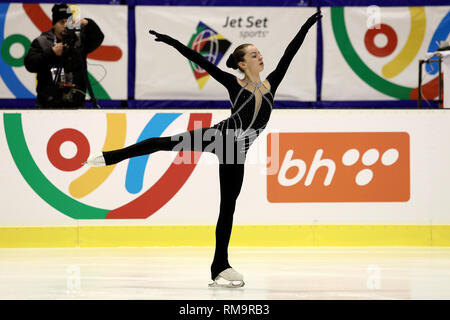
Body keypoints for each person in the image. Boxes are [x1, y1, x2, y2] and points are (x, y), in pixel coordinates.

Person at [85, 11, 322, 287]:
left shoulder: (272, 83)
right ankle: (111, 157)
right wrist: (173, 42)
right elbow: (201, 61)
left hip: (238, 152)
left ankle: (219, 265)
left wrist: (306, 26)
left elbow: (290, 53)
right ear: (243, 63)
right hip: (220, 137)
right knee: (164, 143)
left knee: (228, 208)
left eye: (259, 53)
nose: (260, 57)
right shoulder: (235, 84)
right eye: (254, 54)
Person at [24, 3, 104, 108]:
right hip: (48, 105)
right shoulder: (42, 41)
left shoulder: (79, 41)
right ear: (54, 23)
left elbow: (98, 38)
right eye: (62, 22)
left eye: (68, 22)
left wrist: (89, 24)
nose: (65, 25)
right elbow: (30, 64)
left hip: (76, 104)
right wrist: (51, 53)